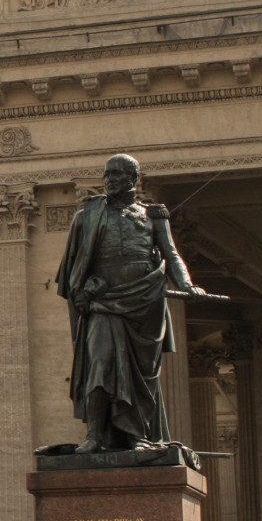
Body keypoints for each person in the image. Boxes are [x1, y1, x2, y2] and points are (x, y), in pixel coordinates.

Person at [56, 154, 205, 452]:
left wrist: (187, 284)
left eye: (117, 174)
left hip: (144, 304)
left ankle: (138, 436)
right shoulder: (87, 216)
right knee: (99, 363)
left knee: (141, 378)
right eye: (107, 174)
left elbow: (171, 254)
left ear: (133, 179)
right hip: (104, 302)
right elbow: (72, 267)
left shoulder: (153, 216)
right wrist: (84, 288)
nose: (110, 180)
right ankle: (95, 436)